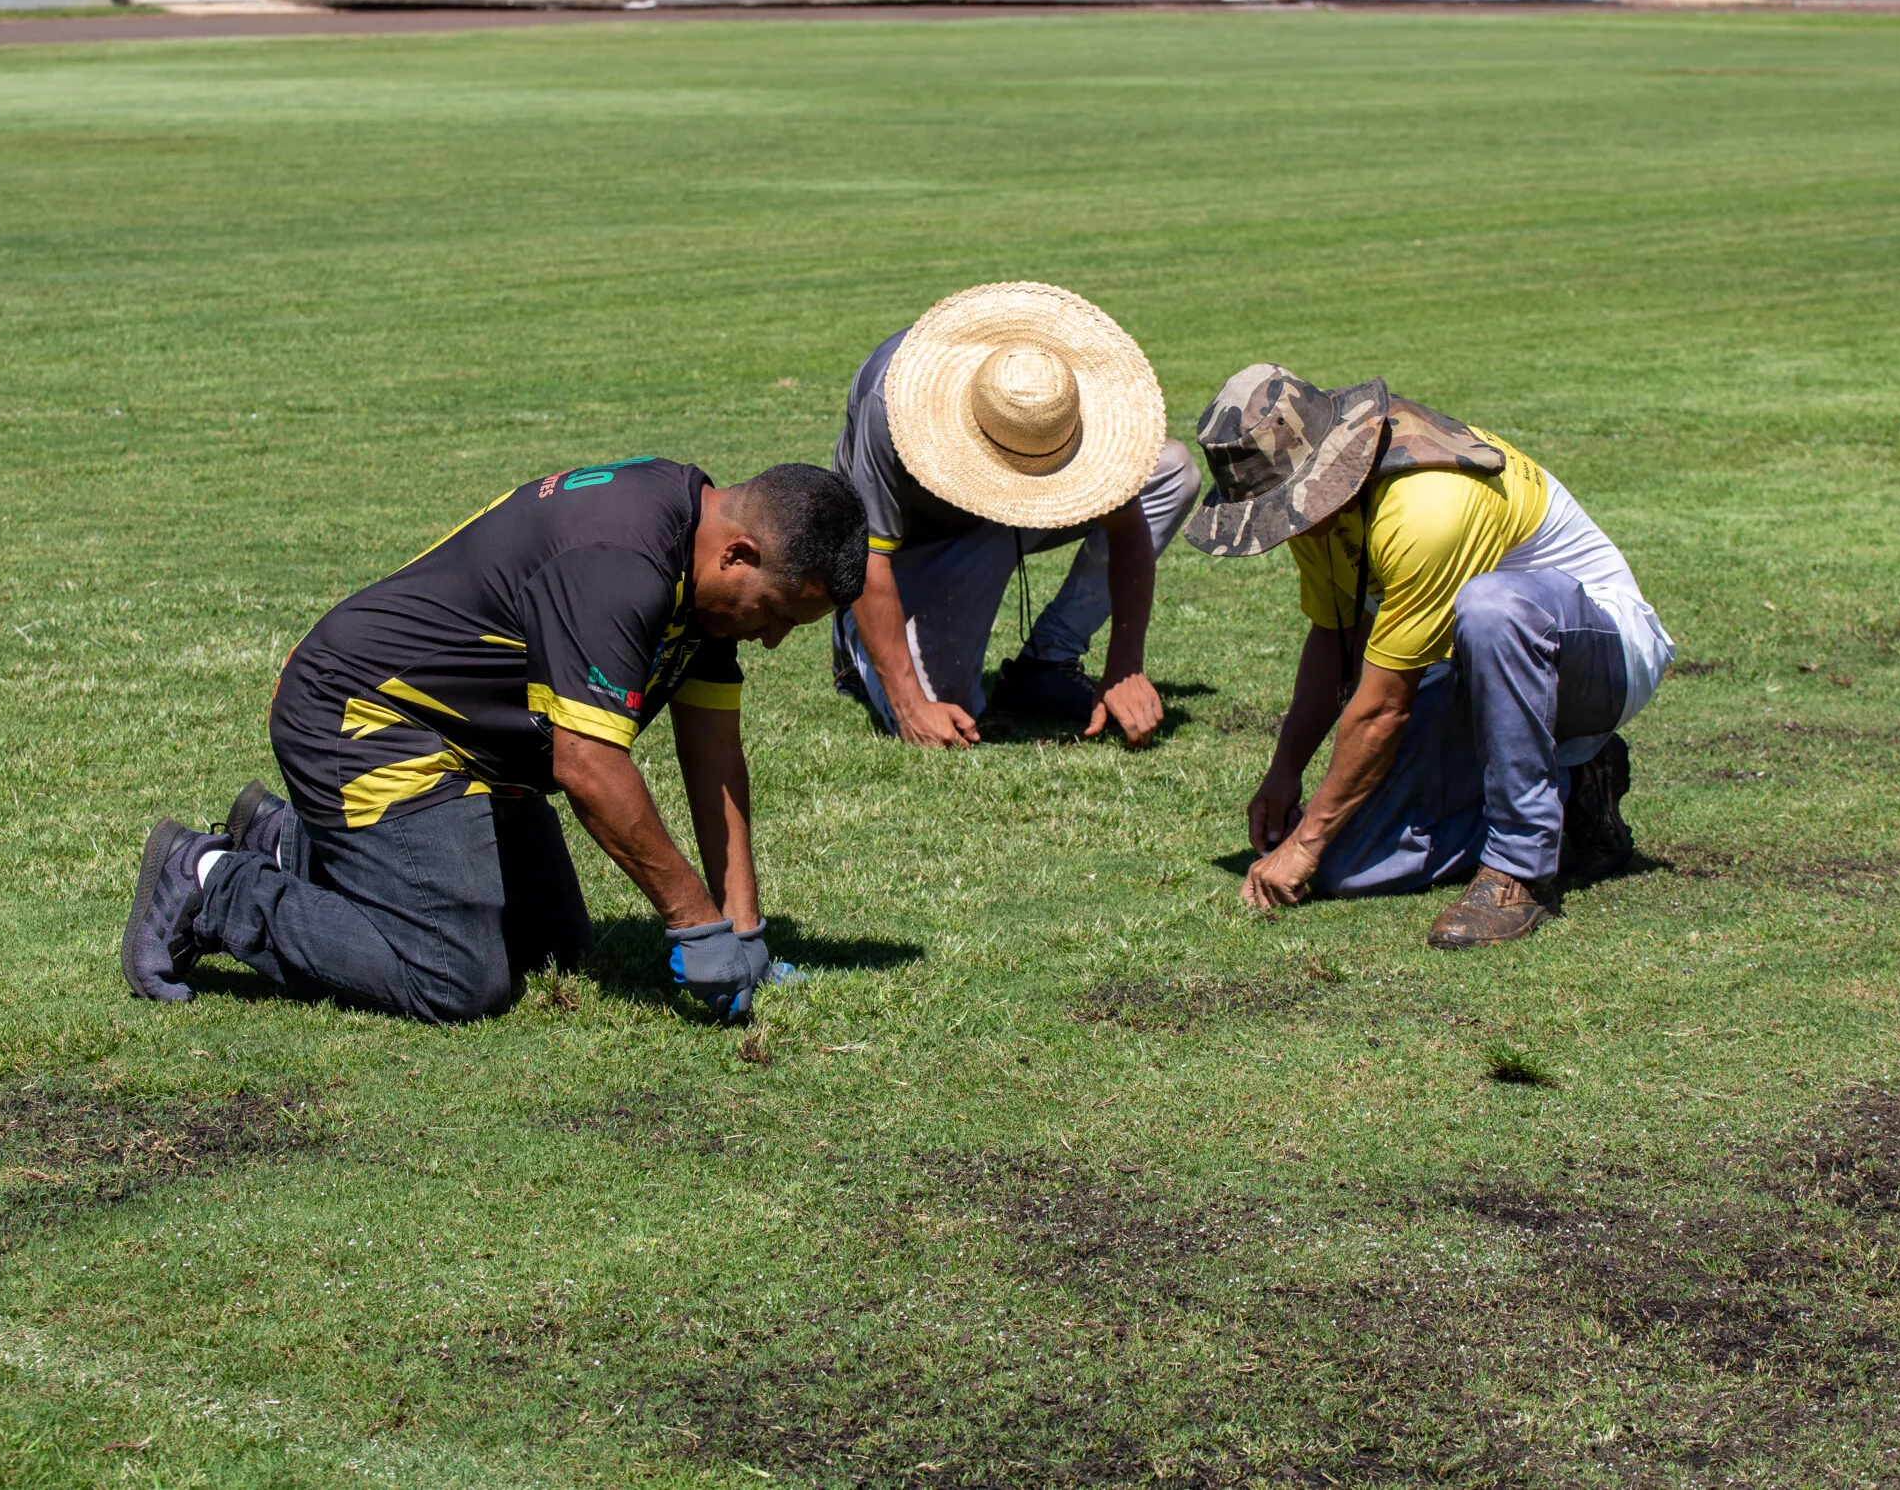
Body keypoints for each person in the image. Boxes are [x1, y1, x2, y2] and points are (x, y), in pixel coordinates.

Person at [122, 457, 868, 1023]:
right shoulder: (619, 560)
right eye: (774, 612)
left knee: (554, 948)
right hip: (366, 722)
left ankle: (293, 844)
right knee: (455, 975)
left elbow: (714, 761)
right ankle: (212, 885)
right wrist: (691, 921)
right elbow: (588, 766)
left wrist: (742, 931)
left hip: (468, 746)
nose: (770, 640)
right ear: (738, 554)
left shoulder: (700, 571)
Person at [1185, 367, 1674, 948]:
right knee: (1351, 867)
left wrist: (1304, 842)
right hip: (1480, 679)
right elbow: (1334, 639)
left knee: (1494, 608)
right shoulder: (1322, 512)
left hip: (1602, 657)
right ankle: (1571, 786)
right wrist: (1286, 771)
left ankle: (1520, 869)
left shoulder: (1426, 507)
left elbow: (1385, 708)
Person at [830, 282, 1200, 748]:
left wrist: (1126, 664)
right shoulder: (891, 402)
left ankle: (1047, 663)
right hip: (916, 547)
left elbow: (1125, 521)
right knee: (943, 711)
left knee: (1169, 471)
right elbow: (868, 557)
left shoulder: (1055, 386)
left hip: (1012, 512)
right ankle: (853, 638)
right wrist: (908, 704)